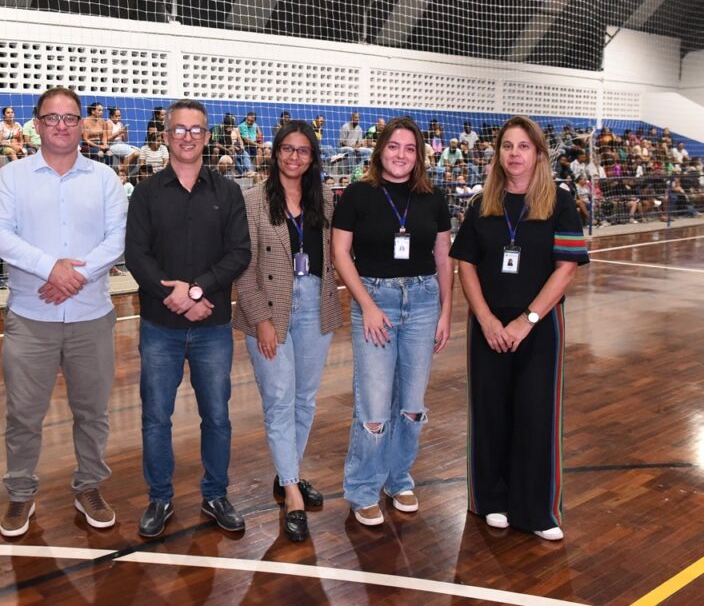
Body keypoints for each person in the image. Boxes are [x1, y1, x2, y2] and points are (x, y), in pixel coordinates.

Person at [0, 87, 127, 537]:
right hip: (31, 315)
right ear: (38, 124)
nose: (62, 125)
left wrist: (76, 278)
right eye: (52, 118)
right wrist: (52, 268)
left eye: (70, 118)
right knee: (23, 415)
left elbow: (118, 239)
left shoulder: (104, 178)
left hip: (91, 315)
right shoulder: (13, 176)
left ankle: (89, 487)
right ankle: (21, 493)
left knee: (93, 413)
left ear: (83, 123)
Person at [449, 115, 589, 542]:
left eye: (523, 146)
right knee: (490, 411)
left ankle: (537, 509)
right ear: (498, 154)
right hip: (488, 326)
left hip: (539, 326)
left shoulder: (560, 202)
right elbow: (465, 265)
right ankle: (491, 501)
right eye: (507, 146)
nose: (514, 154)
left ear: (539, 154)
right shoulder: (481, 203)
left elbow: (566, 270)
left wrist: (527, 321)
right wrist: (488, 320)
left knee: (536, 413)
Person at [125, 98, 251, 537]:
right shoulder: (146, 192)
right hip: (160, 327)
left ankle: (216, 494)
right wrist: (173, 295)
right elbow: (136, 256)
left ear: (207, 135)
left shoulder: (228, 191)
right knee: (156, 417)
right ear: (165, 136)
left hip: (212, 326)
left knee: (216, 415)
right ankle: (160, 499)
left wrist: (195, 291)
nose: (187, 137)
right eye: (179, 129)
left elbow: (239, 253)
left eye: (196, 129)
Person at [332, 116, 453, 527]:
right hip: (375, 299)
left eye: (410, 148)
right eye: (394, 146)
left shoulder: (433, 198)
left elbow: (443, 261)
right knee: (375, 406)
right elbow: (340, 254)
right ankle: (364, 487)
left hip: (422, 302)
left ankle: (398, 478)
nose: (401, 155)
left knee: (412, 407)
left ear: (418, 155)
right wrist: (366, 304)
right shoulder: (357, 195)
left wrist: (445, 312)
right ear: (380, 149)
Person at [232, 121, 341, 542]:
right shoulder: (253, 201)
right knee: (279, 399)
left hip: (317, 304)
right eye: (287, 150)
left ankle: (287, 473)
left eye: (303, 151)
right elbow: (244, 267)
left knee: (305, 398)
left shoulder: (326, 199)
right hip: (269, 308)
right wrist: (260, 319)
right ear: (275, 153)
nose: (294, 158)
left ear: (313, 157)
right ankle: (293, 493)